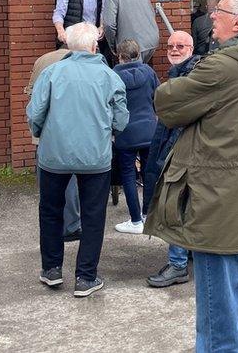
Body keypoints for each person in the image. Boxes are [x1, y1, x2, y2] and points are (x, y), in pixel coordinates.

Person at [144, 0, 238, 352]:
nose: (211, 18)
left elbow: (167, 104)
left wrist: (176, 73)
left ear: (237, 22)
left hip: (221, 208)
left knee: (218, 323)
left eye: (218, 11)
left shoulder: (221, 67)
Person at [27, 22, 129, 298]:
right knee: (94, 215)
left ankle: (51, 270)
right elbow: (121, 117)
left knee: (50, 211)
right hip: (95, 157)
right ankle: (86, 276)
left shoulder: (51, 73)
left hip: (53, 156)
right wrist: (110, 134)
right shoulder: (109, 76)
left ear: (68, 45)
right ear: (95, 46)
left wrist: (41, 134)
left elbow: (35, 114)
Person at [143, 31, 200, 288]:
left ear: (191, 48)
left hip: (183, 155)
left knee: (175, 205)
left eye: (180, 46)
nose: (174, 49)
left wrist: (166, 157)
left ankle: (177, 264)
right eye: (170, 46)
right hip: (178, 152)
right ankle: (186, 255)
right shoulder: (178, 73)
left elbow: (180, 120)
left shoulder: (190, 76)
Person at [25, 47, 81, 242]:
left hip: (44, 132)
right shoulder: (79, 62)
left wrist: (36, 128)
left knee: (47, 181)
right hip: (69, 132)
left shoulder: (42, 60)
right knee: (71, 181)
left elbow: (31, 94)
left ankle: (52, 225)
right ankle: (72, 224)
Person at [111, 39, 160, 235]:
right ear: (138, 53)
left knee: (128, 175)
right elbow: (159, 96)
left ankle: (135, 220)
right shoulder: (149, 72)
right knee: (150, 173)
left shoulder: (114, 76)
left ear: (119, 55)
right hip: (149, 129)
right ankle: (148, 214)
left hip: (126, 132)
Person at [102, 0, 159, 64]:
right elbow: (151, 13)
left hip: (130, 46)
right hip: (151, 41)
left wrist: (113, 47)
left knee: (131, 74)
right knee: (141, 71)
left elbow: (109, 25)